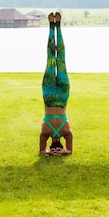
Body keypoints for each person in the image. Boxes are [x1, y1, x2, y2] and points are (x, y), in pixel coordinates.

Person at [40, 12, 73, 156]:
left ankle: (56, 25)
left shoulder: (65, 132)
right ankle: (54, 25)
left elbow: (69, 150)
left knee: (59, 59)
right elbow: (42, 150)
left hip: (61, 97)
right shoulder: (46, 132)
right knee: (52, 59)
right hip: (50, 96)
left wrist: (63, 151)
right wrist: (50, 152)